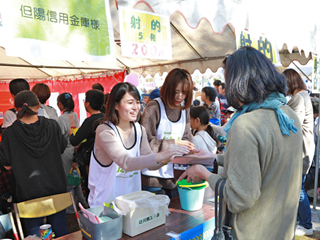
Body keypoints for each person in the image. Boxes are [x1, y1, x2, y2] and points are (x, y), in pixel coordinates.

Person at [178, 46, 303, 240]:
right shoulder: (288, 115)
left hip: (251, 232)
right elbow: (265, 161)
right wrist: (213, 159)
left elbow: (239, 198)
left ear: (240, 82)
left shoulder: (246, 124)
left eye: (228, 81)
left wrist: (203, 173)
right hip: (283, 230)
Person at [87, 82, 188, 207]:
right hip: (105, 206)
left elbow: (150, 164)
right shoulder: (105, 130)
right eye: (130, 103)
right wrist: (162, 155)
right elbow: (126, 163)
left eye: (138, 102)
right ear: (116, 105)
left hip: (130, 204)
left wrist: (166, 159)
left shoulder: (139, 129)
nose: (136, 107)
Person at [1, 90, 69, 237]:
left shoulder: (8, 134)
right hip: (56, 188)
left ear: (16, 108)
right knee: (61, 232)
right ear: (38, 105)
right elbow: (62, 148)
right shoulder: (53, 126)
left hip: (28, 194)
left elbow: (6, 166)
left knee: (34, 235)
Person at [141, 68, 195, 198]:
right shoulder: (154, 107)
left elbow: (187, 138)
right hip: (152, 179)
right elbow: (146, 143)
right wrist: (174, 143)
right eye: (176, 92)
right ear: (168, 88)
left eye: (184, 93)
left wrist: (191, 150)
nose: (180, 96)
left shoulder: (184, 110)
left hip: (174, 177)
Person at [283, 68, 315, 236]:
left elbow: (292, 125)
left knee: (298, 188)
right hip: (305, 149)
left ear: (290, 82)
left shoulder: (298, 98)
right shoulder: (304, 96)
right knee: (298, 187)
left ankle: (306, 224)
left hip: (301, 151)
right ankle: (302, 221)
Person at [69, 89, 105, 199]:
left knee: (92, 189)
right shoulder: (105, 117)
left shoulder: (90, 121)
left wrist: (71, 134)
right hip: (104, 160)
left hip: (91, 161)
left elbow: (75, 140)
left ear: (88, 104)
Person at [57, 93, 87, 211]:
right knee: (75, 179)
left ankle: (70, 211)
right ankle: (83, 204)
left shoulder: (61, 119)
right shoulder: (74, 115)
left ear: (60, 104)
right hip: (75, 150)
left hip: (65, 152)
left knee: (68, 182)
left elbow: (60, 138)